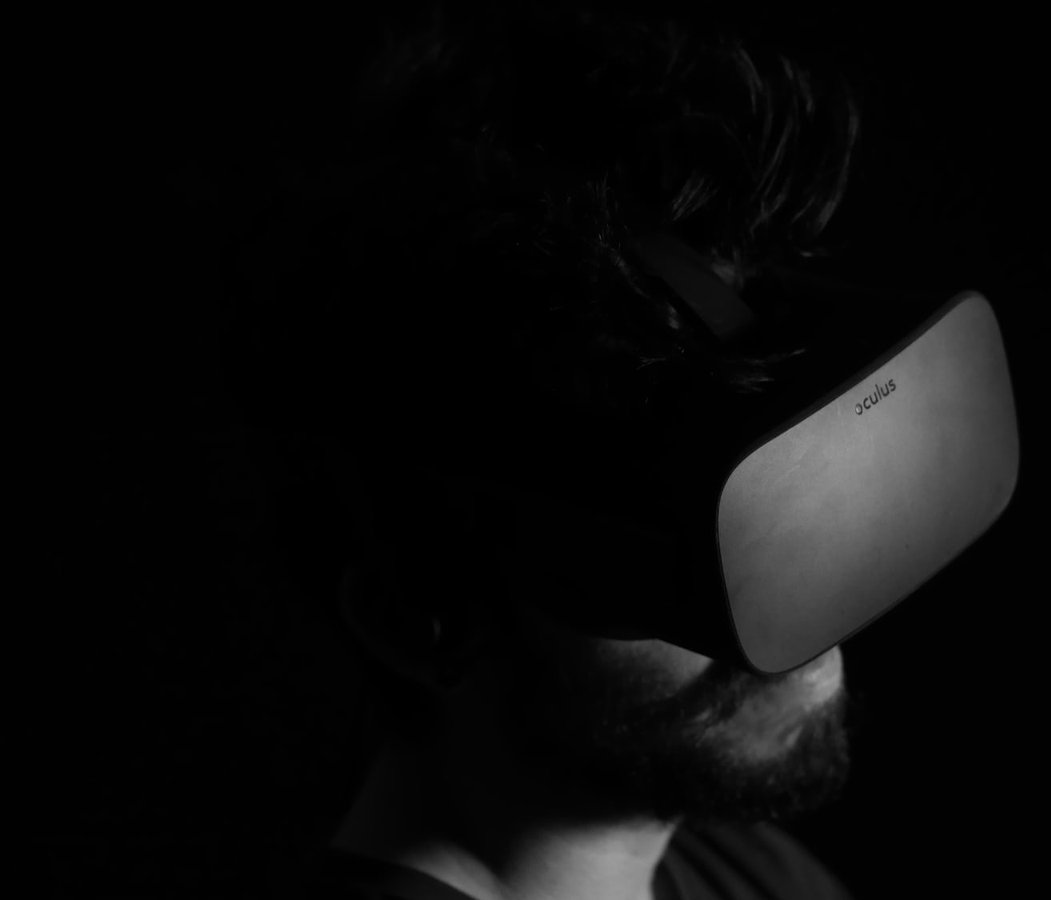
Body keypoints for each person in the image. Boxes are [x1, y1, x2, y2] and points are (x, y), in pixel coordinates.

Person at [223, 3, 871, 898]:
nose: (802, 590)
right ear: (416, 621)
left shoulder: (755, 875)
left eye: (770, 476)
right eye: (676, 541)